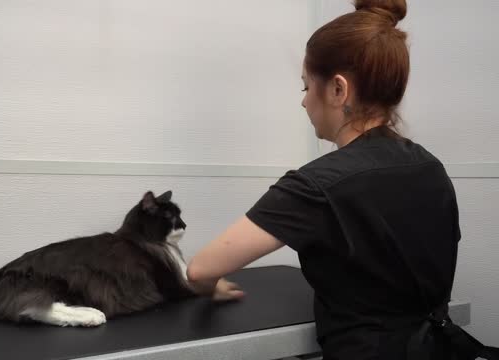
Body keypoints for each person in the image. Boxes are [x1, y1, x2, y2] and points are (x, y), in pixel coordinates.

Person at [186, 1, 498, 359]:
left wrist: (212, 287)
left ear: (338, 90)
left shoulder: (317, 185)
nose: (304, 102)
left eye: (306, 87)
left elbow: (200, 269)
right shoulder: (431, 167)